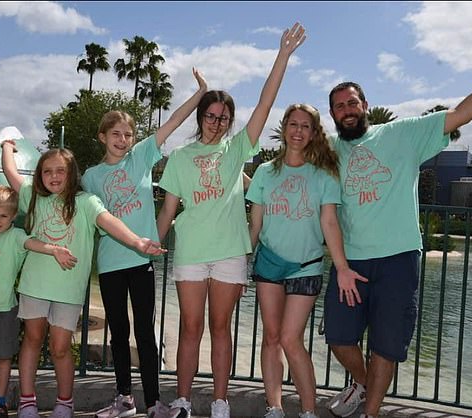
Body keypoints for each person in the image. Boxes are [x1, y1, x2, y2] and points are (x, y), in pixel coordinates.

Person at [156, 22, 306, 418]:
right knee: (191, 328)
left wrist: (282, 57)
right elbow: (169, 210)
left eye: (224, 117)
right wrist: (151, 246)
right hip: (190, 250)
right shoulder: (180, 158)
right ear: (201, 116)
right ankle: (184, 400)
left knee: (221, 328)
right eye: (211, 115)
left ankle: (220, 401)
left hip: (228, 253)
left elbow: (265, 104)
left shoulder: (238, 149)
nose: (217, 122)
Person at [324, 80, 472, 418]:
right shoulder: (328, 151)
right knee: (339, 338)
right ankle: (362, 382)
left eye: (352, 103)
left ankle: (371, 413)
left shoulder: (402, 133)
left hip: (398, 258)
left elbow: (461, 114)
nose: (347, 110)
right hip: (350, 261)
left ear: (365, 104)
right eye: (339, 106)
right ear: (332, 114)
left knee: (386, 345)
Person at [1, 142, 166, 418]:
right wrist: (7, 145)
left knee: (60, 347)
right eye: (47, 171)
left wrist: (137, 241)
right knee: (31, 338)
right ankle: (27, 401)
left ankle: (65, 402)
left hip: (68, 289)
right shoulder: (33, 196)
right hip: (35, 284)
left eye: (60, 171)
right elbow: (10, 171)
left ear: (72, 174)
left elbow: (109, 221)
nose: (54, 176)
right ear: (40, 175)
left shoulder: (86, 202)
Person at [81, 69, 207, 418]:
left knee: (145, 335)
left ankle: (153, 403)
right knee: (118, 334)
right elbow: (84, 217)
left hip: (141, 263)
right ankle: (124, 400)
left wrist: (200, 94)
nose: (122, 139)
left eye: (128, 134)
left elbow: (174, 122)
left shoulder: (141, 157)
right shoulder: (91, 177)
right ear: (102, 136)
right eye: (116, 134)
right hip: (109, 263)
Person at [246, 104, 366, 418]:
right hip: (268, 265)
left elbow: (330, 223)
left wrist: (341, 267)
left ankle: (308, 411)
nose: (298, 131)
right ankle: (274, 407)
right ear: (284, 128)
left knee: (290, 337)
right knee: (271, 338)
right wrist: (240, 259)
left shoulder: (324, 174)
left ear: (313, 133)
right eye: (293, 124)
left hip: (306, 266)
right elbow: (255, 225)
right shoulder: (264, 172)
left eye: (305, 126)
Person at [0, 185, 77, 418]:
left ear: (12, 216)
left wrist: (54, 250)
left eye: (3, 216)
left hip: (4, 309)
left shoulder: (16, 236)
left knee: (3, 356)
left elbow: (34, 244)